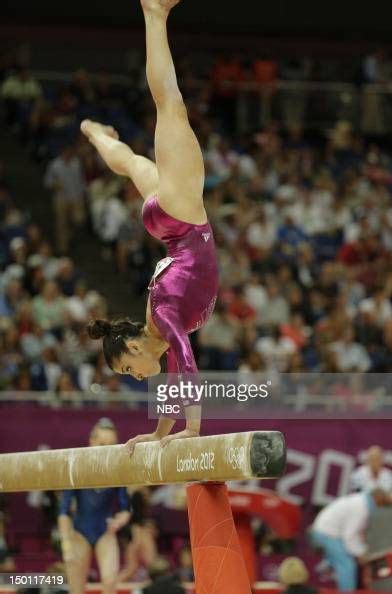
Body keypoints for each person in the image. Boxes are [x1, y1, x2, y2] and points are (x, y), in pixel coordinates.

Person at [82, 0, 218, 449]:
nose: (132, 376)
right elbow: (179, 370)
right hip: (168, 225)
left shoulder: (160, 320)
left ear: (135, 348)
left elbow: (187, 363)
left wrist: (193, 431)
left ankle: (154, 12)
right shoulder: (159, 330)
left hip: (182, 217)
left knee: (169, 105)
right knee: (136, 165)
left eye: (126, 368)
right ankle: (99, 135)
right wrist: (162, 432)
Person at [58, 418, 131, 594]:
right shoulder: (76, 468)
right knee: (76, 588)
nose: (106, 449)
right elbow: (64, 512)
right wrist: (66, 545)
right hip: (79, 533)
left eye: (111, 445)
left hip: (104, 532)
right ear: (91, 442)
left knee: (110, 580)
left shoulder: (116, 471)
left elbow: (125, 510)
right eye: (102, 443)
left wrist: (118, 522)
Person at [310, 489, 392, 592]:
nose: (384, 504)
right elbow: (350, 536)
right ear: (378, 498)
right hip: (327, 533)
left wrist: (361, 551)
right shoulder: (362, 507)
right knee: (347, 565)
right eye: (384, 500)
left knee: (342, 560)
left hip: (325, 530)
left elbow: (355, 534)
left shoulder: (362, 502)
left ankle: (327, 564)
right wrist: (361, 553)